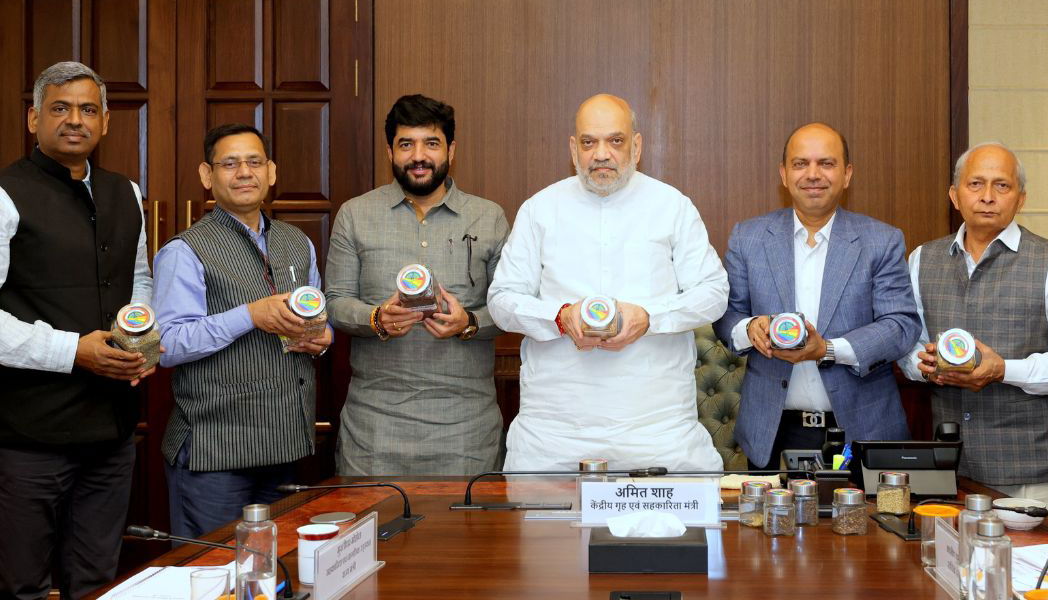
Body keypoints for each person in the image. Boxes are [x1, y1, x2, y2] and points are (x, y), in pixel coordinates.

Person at [488, 93, 726, 471]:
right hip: (554, 436)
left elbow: (713, 293)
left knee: (674, 530)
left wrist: (649, 317)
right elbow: (501, 299)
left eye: (615, 141)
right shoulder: (540, 209)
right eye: (589, 142)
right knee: (545, 530)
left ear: (636, 145)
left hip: (656, 432)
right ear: (573, 147)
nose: (601, 154)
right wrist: (561, 316)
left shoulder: (672, 206)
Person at [0, 61, 156, 599]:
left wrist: (141, 344)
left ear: (106, 121)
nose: (75, 120)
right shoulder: (5, 193)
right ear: (33, 118)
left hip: (111, 434)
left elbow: (138, 279)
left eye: (88, 109)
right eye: (60, 108)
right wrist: (74, 352)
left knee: (96, 583)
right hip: (27, 436)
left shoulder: (125, 192)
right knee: (23, 586)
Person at [897, 142, 1048, 522]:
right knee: (956, 577)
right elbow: (909, 343)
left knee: (1043, 578)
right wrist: (922, 366)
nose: (987, 197)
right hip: (952, 466)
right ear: (955, 196)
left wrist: (1004, 369)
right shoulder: (923, 258)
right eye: (975, 184)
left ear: (1021, 198)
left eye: (1002, 186)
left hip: (1038, 470)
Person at [152, 123, 332, 538]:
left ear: (271, 172)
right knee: (215, 573)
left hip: (286, 443)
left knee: (277, 570)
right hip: (215, 452)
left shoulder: (297, 242)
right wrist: (249, 315)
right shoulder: (185, 250)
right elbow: (168, 344)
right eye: (229, 163)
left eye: (254, 162)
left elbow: (317, 316)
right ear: (206, 175)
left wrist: (322, 340)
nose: (244, 172)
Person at [715, 123, 920, 470]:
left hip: (860, 431)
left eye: (826, 163)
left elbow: (900, 325)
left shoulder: (881, 240)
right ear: (783, 174)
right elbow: (726, 314)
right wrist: (750, 328)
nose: (813, 174)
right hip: (773, 433)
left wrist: (827, 350)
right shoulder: (748, 238)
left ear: (847, 174)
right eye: (800, 164)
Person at [326, 95, 509, 475]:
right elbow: (336, 302)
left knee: (464, 535)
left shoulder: (488, 217)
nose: (418, 156)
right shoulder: (355, 215)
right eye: (406, 144)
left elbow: (511, 307)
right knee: (373, 535)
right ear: (389, 150)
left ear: (451, 150)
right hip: (374, 428)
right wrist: (376, 318)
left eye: (431, 143)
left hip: (465, 430)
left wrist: (469, 323)